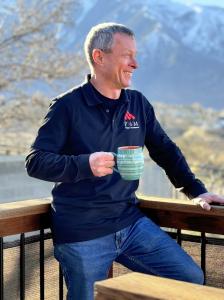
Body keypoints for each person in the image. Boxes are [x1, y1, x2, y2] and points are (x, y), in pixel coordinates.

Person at [25, 22, 224, 300]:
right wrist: (86, 164)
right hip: (82, 231)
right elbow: (35, 161)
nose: (136, 64)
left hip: (130, 223)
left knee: (189, 279)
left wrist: (196, 190)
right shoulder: (67, 106)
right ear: (99, 57)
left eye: (135, 55)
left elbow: (165, 150)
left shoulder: (138, 104)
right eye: (127, 55)